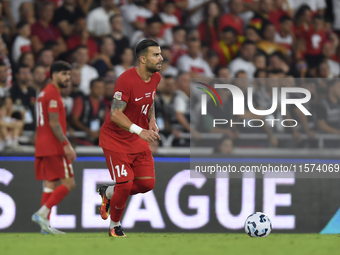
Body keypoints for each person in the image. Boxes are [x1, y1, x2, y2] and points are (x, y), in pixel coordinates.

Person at [98, 39, 162, 237]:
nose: (161, 58)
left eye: (160, 54)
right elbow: (115, 114)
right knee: (125, 184)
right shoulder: (125, 80)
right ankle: (114, 226)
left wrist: (151, 119)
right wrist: (140, 130)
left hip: (137, 139)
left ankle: (108, 193)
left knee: (146, 184)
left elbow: (150, 99)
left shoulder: (156, 78)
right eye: (156, 55)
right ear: (143, 59)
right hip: (116, 139)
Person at [31, 61, 76, 235]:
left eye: (69, 75)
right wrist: (66, 144)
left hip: (42, 145)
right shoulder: (53, 94)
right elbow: (53, 121)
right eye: (64, 74)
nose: (67, 78)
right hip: (54, 146)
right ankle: (42, 213)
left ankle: (45, 226)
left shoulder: (43, 93)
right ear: (54, 75)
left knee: (50, 184)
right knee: (69, 182)